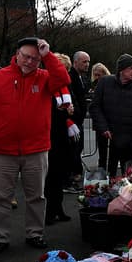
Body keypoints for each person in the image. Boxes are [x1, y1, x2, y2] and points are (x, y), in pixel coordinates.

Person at [0, 37, 70, 254]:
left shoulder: (45, 77)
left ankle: (35, 233)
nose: (29, 61)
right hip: (2, 150)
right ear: (16, 54)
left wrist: (48, 55)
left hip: (36, 150)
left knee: (36, 196)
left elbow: (63, 78)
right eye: (26, 56)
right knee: (0, 197)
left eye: (35, 58)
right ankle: (1, 237)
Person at [90, 53, 132, 177]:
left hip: (131, 136)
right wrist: (103, 127)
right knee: (111, 171)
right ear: (121, 70)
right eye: (131, 68)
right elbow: (95, 107)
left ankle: (130, 193)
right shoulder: (105, 83)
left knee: (130, 172)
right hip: (111, 134)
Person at [45, 53, 80, 225]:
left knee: (59, 175)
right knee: (50, 177)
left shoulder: (65, 88)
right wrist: (63, 111)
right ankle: (49, 212)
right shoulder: (47, 84)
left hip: (62, 135)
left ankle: (58, 209)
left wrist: (70, 111)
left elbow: (74, 106)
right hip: (50, 135)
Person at [66, 51, 91, 190]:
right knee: (72, 151)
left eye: (88, 61)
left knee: (77, 149)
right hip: (72, 120)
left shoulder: (83, 78)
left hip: (79, 119)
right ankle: (69, 177)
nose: (87, 64)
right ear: (75, 62)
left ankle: (75, 173)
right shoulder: (71, 77)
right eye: (84, 62)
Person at [89, 62, 111, 173]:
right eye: (95, 75)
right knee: (101, 147)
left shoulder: (110, 84)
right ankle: (102, 168)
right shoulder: (93, 85)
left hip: (110, 118)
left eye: (99, 75)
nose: (97, 77)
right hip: (99, 120)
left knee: (112, 147)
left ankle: (110, 169)